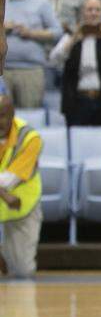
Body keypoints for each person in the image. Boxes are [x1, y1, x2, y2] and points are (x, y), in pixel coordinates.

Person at [50, 0, 101, 126]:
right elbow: (54, 60)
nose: (93, 13)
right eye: (89, 9)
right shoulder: (70, 38)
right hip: (76, 101)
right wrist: (74, 37)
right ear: (82, 12)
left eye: (97, 10)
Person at [4, 0, 62, 108]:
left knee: (30, 119)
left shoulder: (41, 2)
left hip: (31, 71)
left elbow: (57, 33)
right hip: (2, 72)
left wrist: (30, 33)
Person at [0, 96, 43, 279]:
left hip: (21, 208)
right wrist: (4, 194)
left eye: (1, 115)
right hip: (6, 201)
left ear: (12, 115)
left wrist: (3, 192)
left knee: (22, 271)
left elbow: (8, 180)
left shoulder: (30, 138)